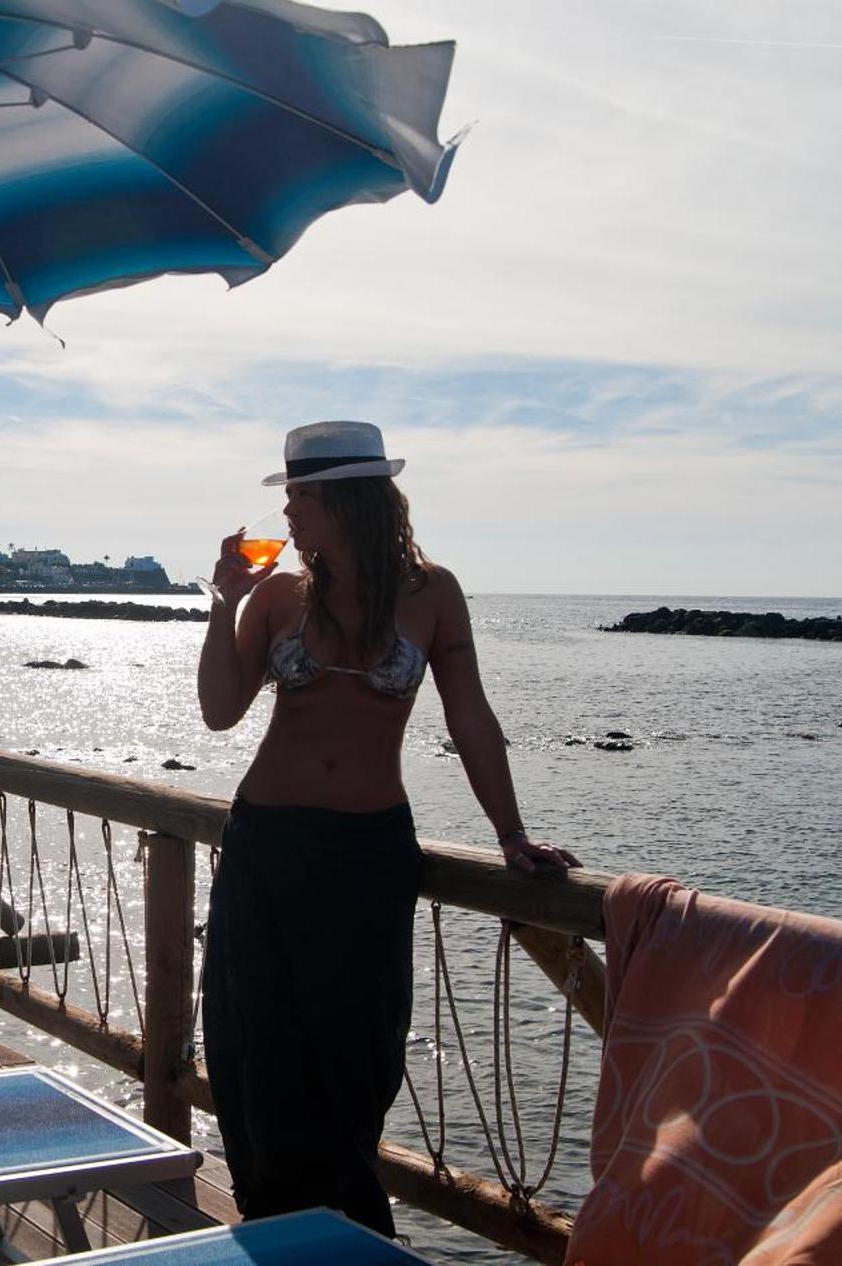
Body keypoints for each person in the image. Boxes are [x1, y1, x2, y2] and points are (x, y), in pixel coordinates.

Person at [195, 419, 578, 1240]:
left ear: (342, 496)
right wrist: (222, 601)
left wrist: (512, 835)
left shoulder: (433, 594)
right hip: (267, 847)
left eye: (298, 494)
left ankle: (346, 1233)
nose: (288, 511)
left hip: (370, 856)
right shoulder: (277, 597)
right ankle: (280, 1231)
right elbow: (220, 711)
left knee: (360, 1047)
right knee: (256, 1045)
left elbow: (470, 716)